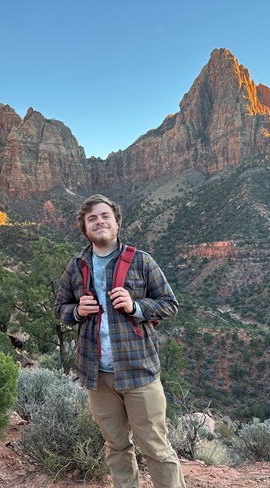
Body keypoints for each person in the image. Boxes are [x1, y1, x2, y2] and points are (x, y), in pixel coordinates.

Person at [55, 194, 186, 488]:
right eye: (92, 218)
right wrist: (76, 311)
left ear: (116, 223)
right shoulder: (76, 267)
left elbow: (169, 304)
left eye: (105, 216)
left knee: (156, 448)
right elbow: (59, 308)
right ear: (84, 228)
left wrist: (137, 306)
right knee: (116, 447)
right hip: (98, 375)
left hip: (139, 371)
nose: (99, 221)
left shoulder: (141, 261)